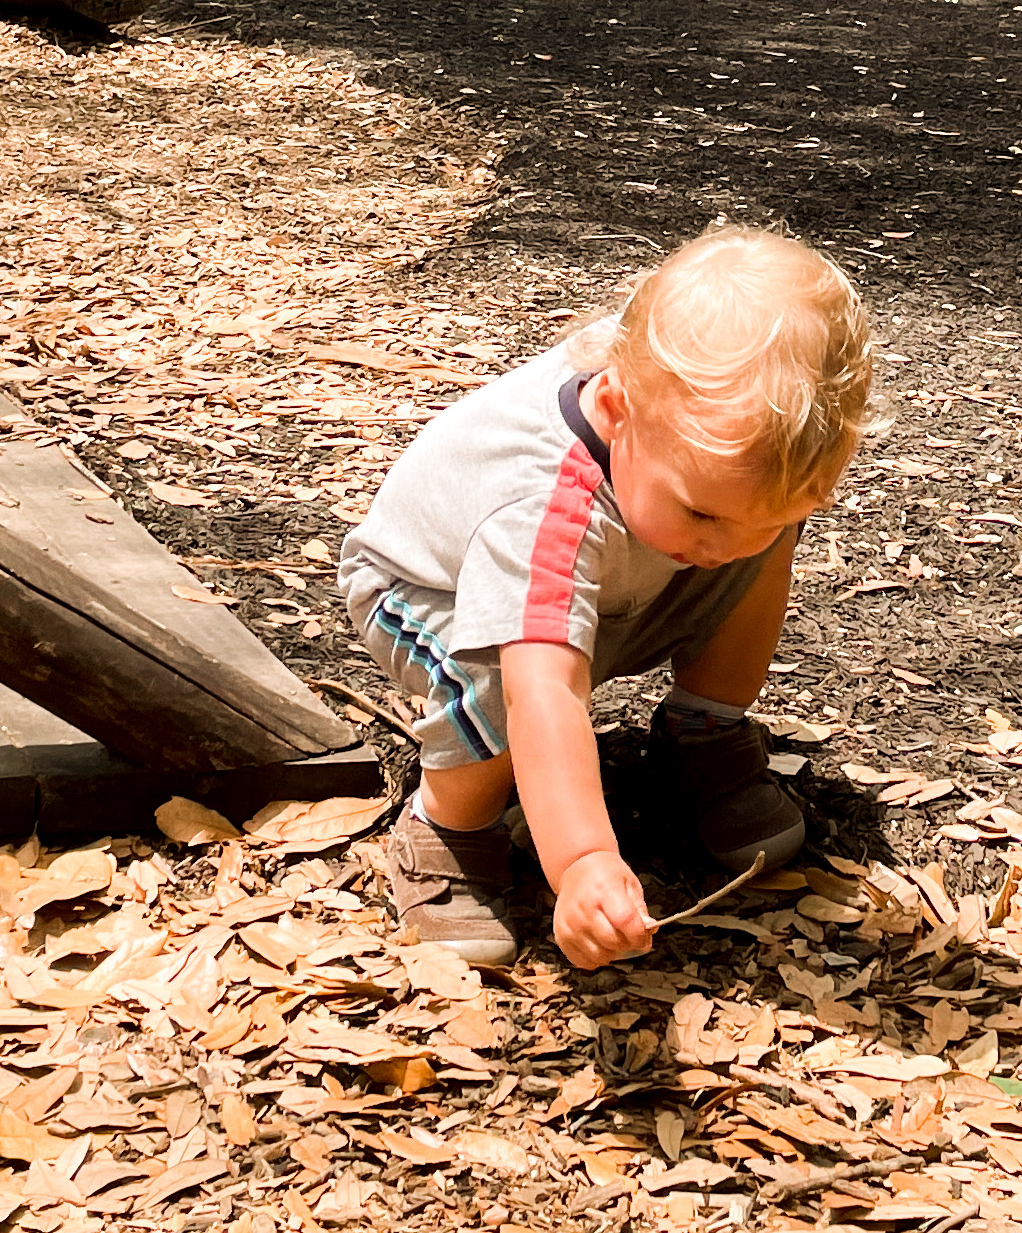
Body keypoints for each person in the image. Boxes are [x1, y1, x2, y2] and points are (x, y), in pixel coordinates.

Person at [339, 223, 873, 971]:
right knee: (498, 680)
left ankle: (703, 733)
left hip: (624, 584)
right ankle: (448, 829)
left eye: (768, 515)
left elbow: (733, 516)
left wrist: (746, 527)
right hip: (429, 598)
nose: (728, 542)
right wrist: (584, 859)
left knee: (754, 547)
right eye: (704, 512)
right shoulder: (543, 502)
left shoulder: (686, 447)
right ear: (616, 410)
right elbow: (544, 694)